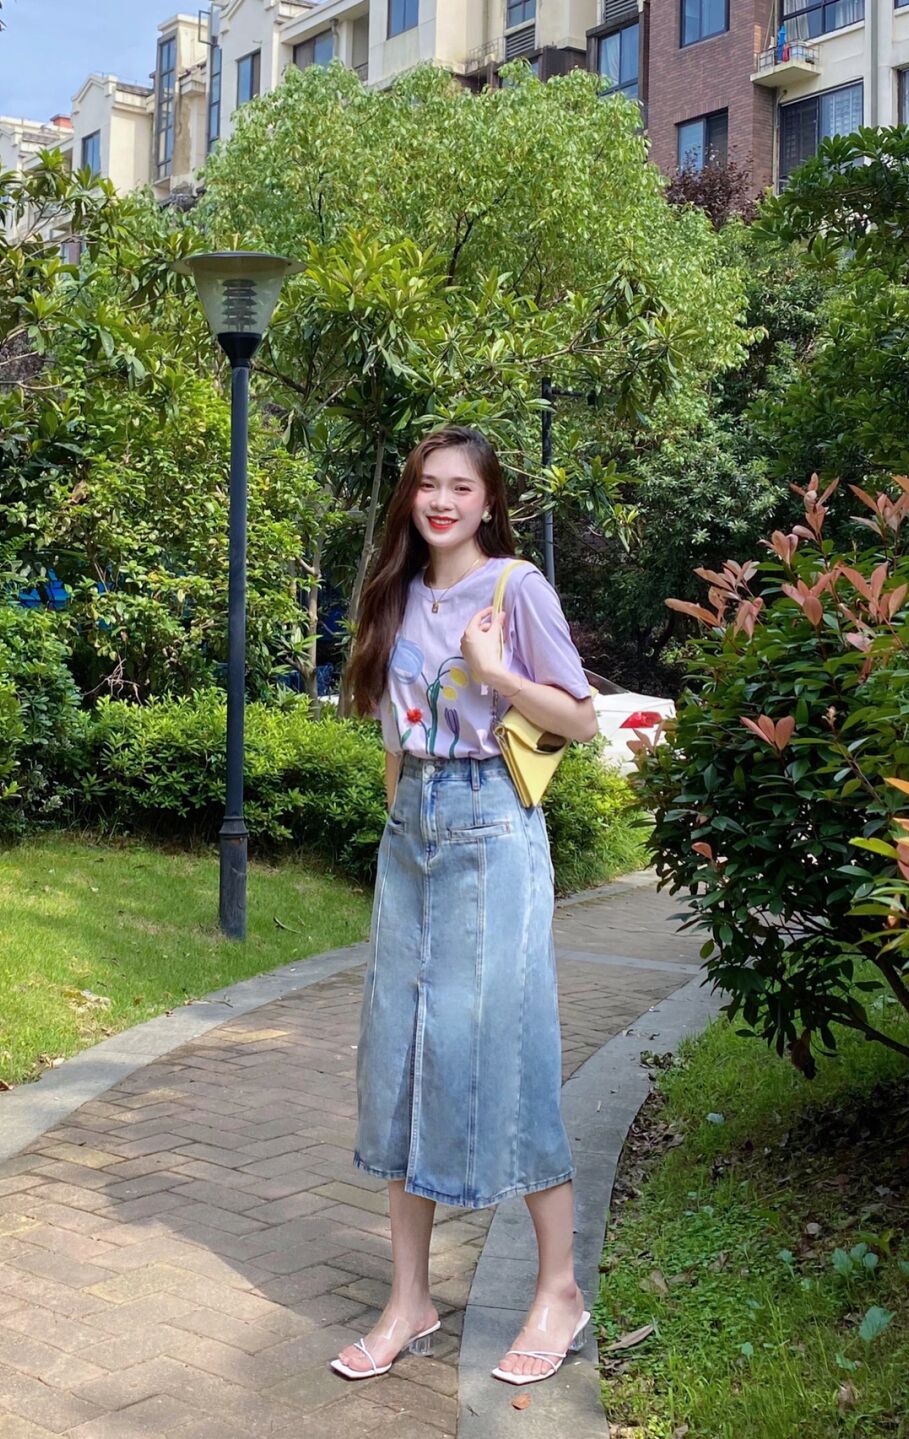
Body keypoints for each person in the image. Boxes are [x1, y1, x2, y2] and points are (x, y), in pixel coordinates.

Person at [333, 424, 598, 1386]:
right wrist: (401, 814)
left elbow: (579, 717)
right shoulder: (395, 590)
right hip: (413, 832)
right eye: (427, 485)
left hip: (493, 829)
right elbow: (393, 728)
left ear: (489, 502)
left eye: (461, 487)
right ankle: (409, 1299)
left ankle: (558, 1289)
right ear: (410, 495)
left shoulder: (514, 588)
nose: (441, 501)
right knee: (400, 1054)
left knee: (505, 1052)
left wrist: (495, 675)